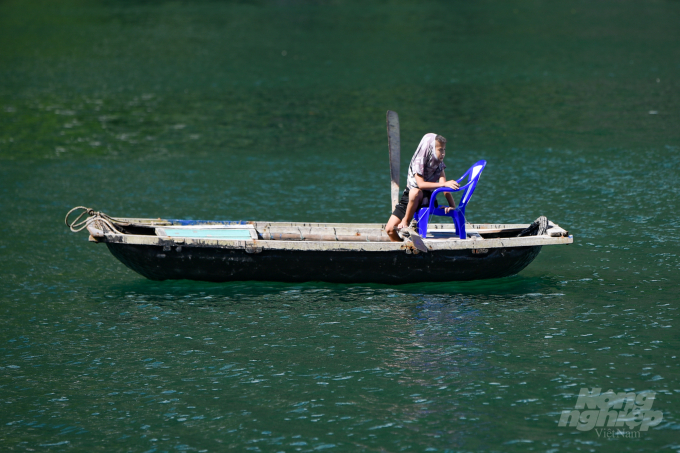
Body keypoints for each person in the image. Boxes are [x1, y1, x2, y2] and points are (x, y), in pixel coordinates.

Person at [385, 133, 459, 242]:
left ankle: (406, 222)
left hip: (428, 198)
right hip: (409, 197)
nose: (443, 153)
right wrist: (443, 184)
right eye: (440, 150)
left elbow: (444, 186)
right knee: (390, 230)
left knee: (416, 193)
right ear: (431, 148)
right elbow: (421, 184)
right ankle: (402, 248)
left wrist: (452, 205)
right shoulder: (419, 161)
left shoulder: (438, 163)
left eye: (444, 149)